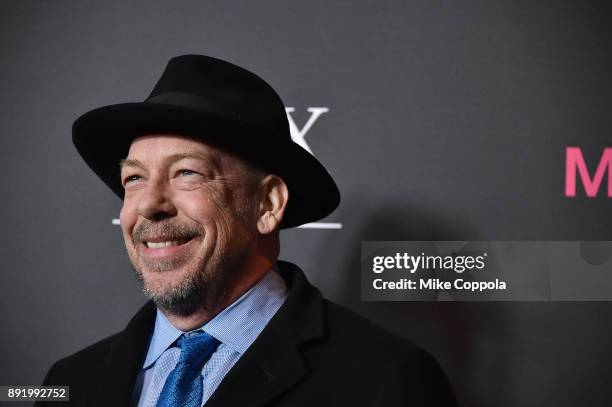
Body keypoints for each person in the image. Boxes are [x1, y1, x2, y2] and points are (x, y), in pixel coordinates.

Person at [37, 55, 459, 406]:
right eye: (134, 179)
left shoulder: (386, 381)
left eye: (187, 172)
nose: (148, 204)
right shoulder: (70, 381)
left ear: (267, 204)